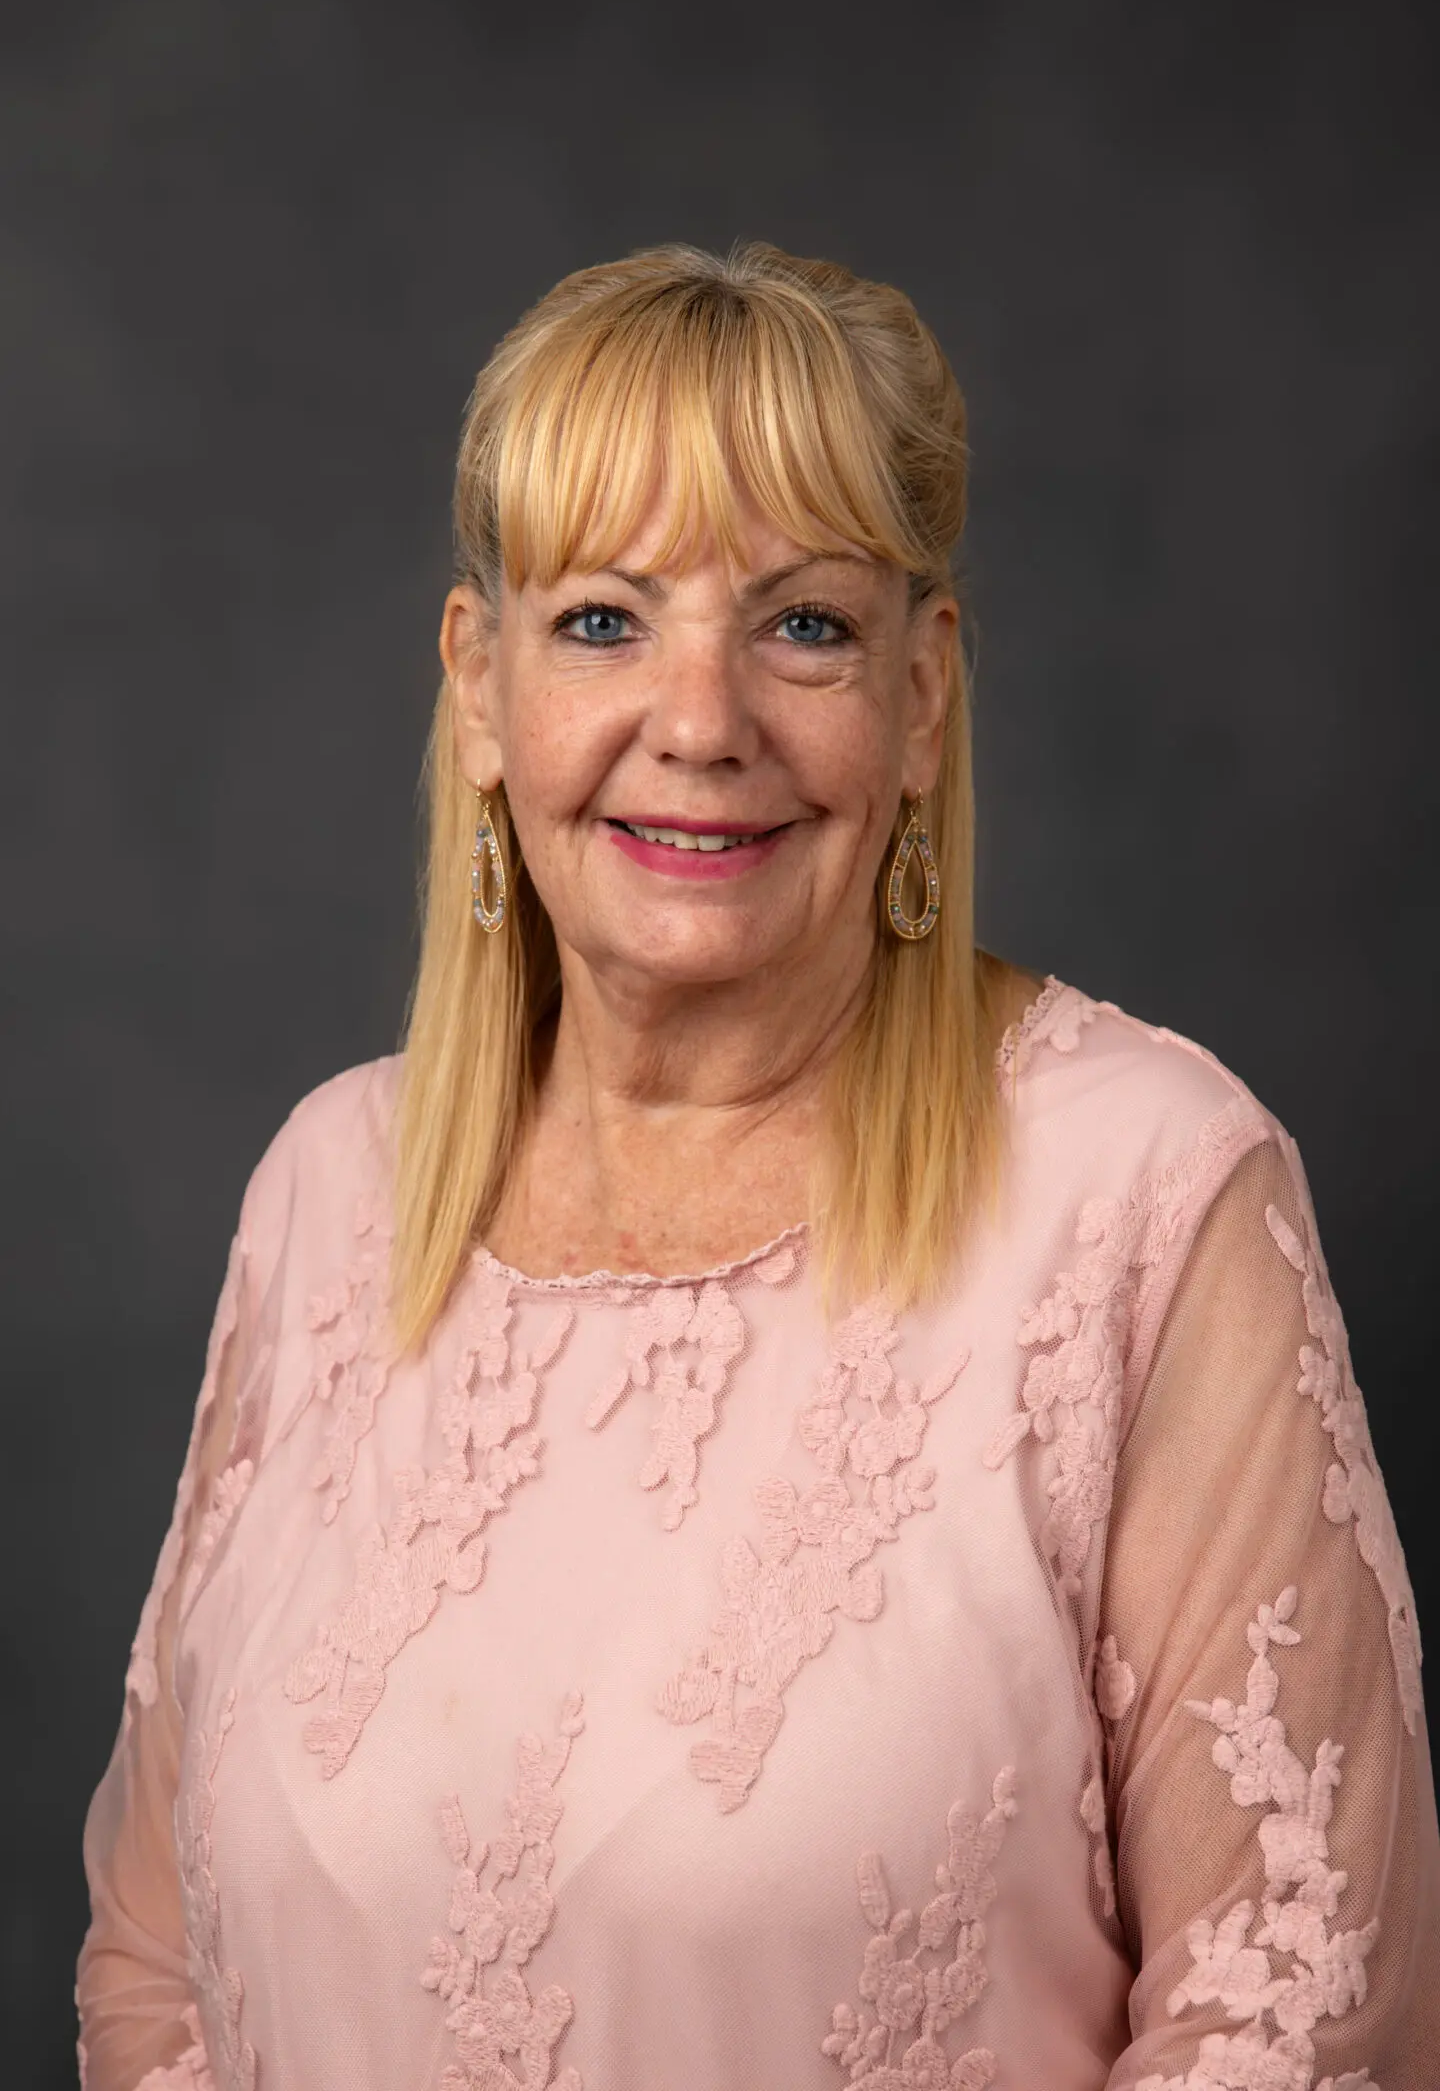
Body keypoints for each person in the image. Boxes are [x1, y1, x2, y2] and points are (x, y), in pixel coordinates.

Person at [76, 241, 1438, 2091]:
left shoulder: (1150, 1199)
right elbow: (158, 1966)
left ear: (922, 695)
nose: (703, 723)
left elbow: (1295, 2024)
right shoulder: (329, 1192)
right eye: (603, 622)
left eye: (802, 626)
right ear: (478, 689)